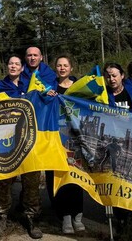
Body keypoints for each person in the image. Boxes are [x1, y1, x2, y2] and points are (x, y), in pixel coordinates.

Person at [0, 55, 41, 239]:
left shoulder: (32, 85)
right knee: (4, 178)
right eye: (10, 63)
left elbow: (43, 101)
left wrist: (50, 95)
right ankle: (0, 217)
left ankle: (31, 217)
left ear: (22, 67)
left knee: (32, 179)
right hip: (6, 138)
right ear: (7, 66)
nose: (13, 66)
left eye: (17, 64)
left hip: (29, 138)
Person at [47, 55, 85, 235]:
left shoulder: (80, 88)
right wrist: (46, 96)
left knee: (77, 177)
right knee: (58, 177)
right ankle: (65, 216)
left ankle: (78, 215)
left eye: (65, 65)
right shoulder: (49, 86)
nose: (62, 68)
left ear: (71, 68)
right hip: (55, 139)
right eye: (59, 65)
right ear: (56, 68)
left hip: (76, 140)